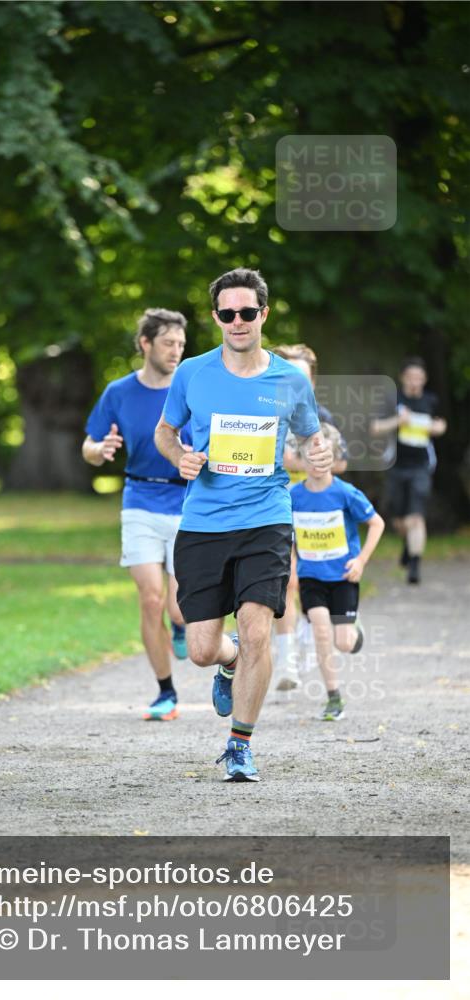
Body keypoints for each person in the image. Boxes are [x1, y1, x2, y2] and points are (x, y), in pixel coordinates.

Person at [154, 267, 333, 782]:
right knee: (201, 650)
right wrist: (181, 458)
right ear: (216, 317)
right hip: (204, 523)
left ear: (263, 314)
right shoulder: (193, 373)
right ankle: (227, 662)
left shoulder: (290, 380)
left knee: (258, 630)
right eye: (227, 313)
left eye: (247, 312)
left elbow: (310, 438)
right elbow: (165, 432)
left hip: (266, 519)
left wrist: (317, 453)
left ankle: (240, 745)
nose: (238, 321)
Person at [82, 308, 190, 721]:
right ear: (145, 344)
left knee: (178, 608)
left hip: (185, 504)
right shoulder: (119, 392)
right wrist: (100, 449)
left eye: (181, 344)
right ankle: (166, 692)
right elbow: (89, 446)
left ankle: (180, 625)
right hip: (140, 501)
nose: (176, 351)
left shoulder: (190, 389)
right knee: (150, 598)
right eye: (168, 343)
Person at [290, 423, 385, 720]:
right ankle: (334, 698)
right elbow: (287, 536)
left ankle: (355, 632)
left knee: (343, 642)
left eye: (324, 457)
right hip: (311, 577)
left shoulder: (345, 493)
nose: (317, 463)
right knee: (321, 630)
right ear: (300, 459)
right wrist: (291, 566)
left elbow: (377, 523)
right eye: (311, 457)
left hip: (344, 576)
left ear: (334, 458)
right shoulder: (293, 496)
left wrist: (361, 561)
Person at [270, 344, 348, 692]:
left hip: (315, 512)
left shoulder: (323, 416)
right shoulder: (266, 412)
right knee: (286, 580)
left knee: (309, 580)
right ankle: (287, 661)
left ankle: (305, 631)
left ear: (312, 381)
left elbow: (342, 462)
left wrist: (307, 462)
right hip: (275, 505)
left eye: (301, 377)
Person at [371, 357, 447, 583]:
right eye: (411, 377)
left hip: (421, 466)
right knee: (399, 520)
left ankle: (414, 566)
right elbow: (375, 427)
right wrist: (397, 421)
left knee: (416, 516)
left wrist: (437, 428)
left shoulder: (431, 400)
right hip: (395, 466)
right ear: (403, 378)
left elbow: (441, 425)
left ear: (424, 379)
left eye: (419, 378)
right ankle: (408, 543)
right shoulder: (392, 399)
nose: (415, 382)